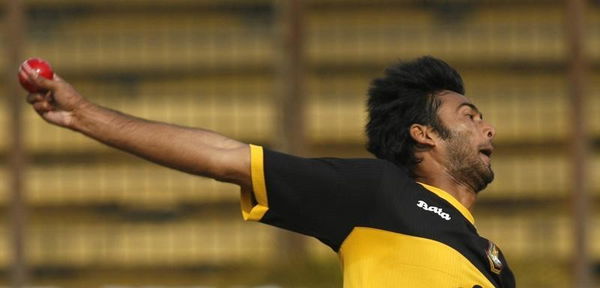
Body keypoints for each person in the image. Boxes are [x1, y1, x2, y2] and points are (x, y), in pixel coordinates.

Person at [23, 56, 515, 287]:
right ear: (423, 134)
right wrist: (85, 114)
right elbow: (224, 157)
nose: (488, 128)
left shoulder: (496, 264)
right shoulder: (380, 193)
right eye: (469, 116)